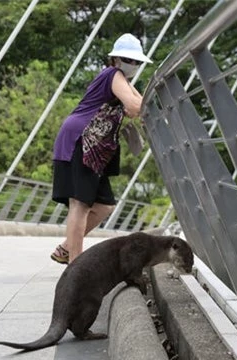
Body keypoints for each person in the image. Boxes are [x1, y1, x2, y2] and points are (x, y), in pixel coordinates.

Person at [50, 33, 152, 265]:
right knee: (80, 203)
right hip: (81, 140)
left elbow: (140, 104)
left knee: (104, 205)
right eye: (129, 59)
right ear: (115, 59)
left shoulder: (122, 81)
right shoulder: (113, 74)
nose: (133, 65)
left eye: (137, 62)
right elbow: (137, 106)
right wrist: (136, 108)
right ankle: (75, 265)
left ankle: (66, 248)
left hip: (95, 149)